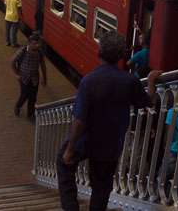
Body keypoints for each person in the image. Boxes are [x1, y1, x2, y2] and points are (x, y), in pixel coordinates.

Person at [57, 30, 161, 211]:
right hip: (111, 144)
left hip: (86, 141)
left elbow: (79, 120)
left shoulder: (89, 81)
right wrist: (151, 81)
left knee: (63, 163)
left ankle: (70, 207)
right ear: (121, 55)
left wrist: (70, 148)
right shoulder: (130, 81)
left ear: (99, 52)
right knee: (102, 187)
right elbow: (148, 102)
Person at [11, 32, 47, 120]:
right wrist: (17, 74)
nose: (37, 45)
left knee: (33, 97)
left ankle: (30, 114)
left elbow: (42, 65)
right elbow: (12, 62)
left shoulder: (39, 52)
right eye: (35, 43)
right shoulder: (22, 51)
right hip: (24, 77)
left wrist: (44, 78)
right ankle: (18, 106)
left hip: (34, 78)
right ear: (29, 43)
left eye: (39, 44)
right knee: (24, 95)